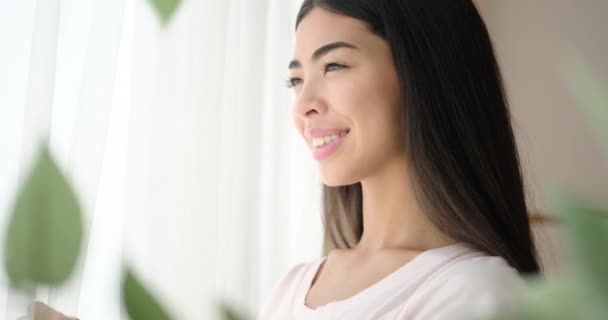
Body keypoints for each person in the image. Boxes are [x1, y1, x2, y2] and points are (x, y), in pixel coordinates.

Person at [257, 0, 541, 319]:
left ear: (422, 73)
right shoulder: (291, 288)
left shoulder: (475, 293)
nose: (303, 106)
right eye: (296, 80)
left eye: (333, 66)